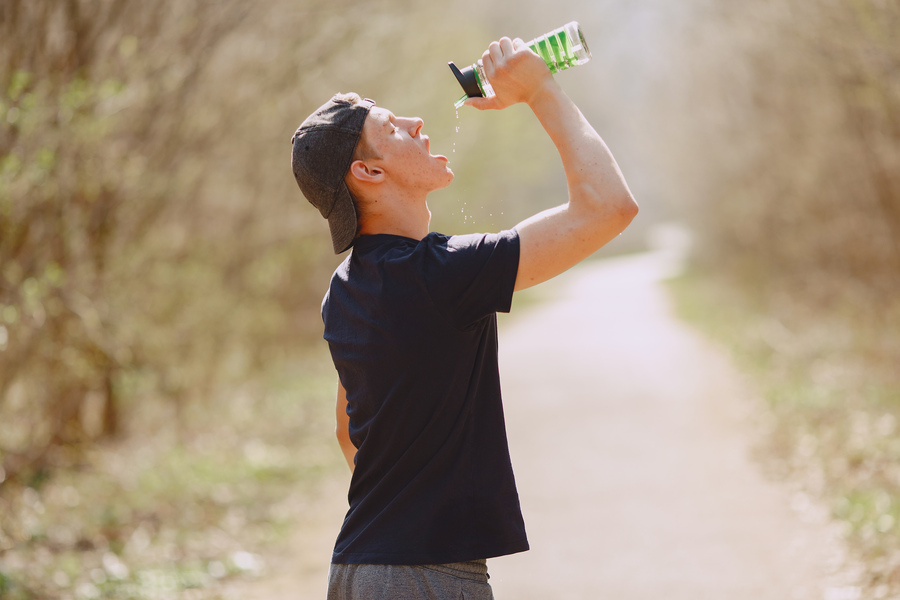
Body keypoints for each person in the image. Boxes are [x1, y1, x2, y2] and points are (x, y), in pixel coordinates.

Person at [290, 36, 638, 600]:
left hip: (358, 569)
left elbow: (349, 434)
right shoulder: (439, 275)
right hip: (422, 577)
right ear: (369, 173)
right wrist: (540, 90)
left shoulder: (346, 290)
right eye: (392, 127)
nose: (416, 121)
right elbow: (608, 207)